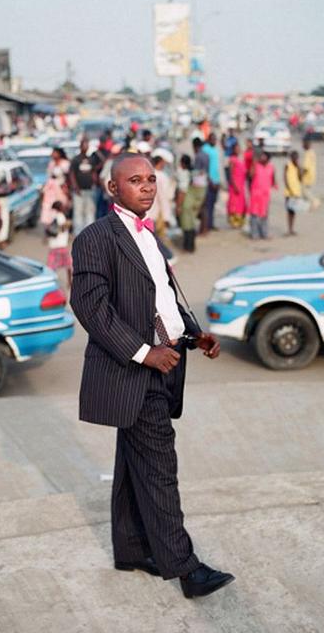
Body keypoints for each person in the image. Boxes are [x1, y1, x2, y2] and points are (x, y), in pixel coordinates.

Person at [70, 153, 234, 599]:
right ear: (112, 188)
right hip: (133, 373)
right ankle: (186, 569)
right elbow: (90, 308)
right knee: (160, 468)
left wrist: (195, 334)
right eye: (134, 180)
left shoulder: (150, 235)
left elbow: (162, 299)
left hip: (166, 364)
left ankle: (131, 549)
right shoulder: (94, 239)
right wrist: (144, 354)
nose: (146, 187)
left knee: (134, 460)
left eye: (151, 179)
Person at [69, 137, 97, 234]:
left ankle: (89, 233)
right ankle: (78, 233)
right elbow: (72, 174)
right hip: (79, 191)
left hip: (89, 190)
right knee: (78, 212)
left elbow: (93, 172)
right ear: (80, 146)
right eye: (84, 145)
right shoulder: (76, 159)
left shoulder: (91, 159)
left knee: (89, 211)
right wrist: (75, 186)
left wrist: (94, 182)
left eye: (87, 145)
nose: (86, 147)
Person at [248, 151, 277, 239]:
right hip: (255, 194)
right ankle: (254, 234)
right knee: (254, 214)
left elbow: (273, 180)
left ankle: (264, 234)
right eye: (261, 157)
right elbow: (250, 176)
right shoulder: (256, 166)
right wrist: (253, 163)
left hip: (265, 195)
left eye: (264, 157)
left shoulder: (271, 167)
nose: (261, 158)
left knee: (264, 215)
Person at [177, 154, 202, 253]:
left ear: (182, 163)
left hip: (185, 203)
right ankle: (192, 246)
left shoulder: (183, 174)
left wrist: (178, 206)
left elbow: (182, 192)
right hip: (193, 202)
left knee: (186, 225)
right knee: (191, 224)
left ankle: (187, 246)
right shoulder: (193, 173)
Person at [45, 200, 72, 288]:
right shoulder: (60, 216)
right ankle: (69, 282)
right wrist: (68, 224)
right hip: (61, 245)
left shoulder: (51, 215)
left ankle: (50, 283)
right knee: (68, 265)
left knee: (52, 266)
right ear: (59, 208)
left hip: (53, 245)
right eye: (62, 206)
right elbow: (62, 229)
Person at [201, 133, 220, 234]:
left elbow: (216, 167)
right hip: (209, 182)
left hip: (216, 181)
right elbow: (204, 168)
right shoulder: (205, 149)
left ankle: (211, 224)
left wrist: (218, 181)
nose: (214, 141)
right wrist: (210, 181)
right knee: (207, 205)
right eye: (213, 139)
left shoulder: (215, 149)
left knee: (213, 204)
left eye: (215, 139)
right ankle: (206, 225)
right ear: (208, 139)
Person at [226, 142, 246, 228]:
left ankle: (240, 221)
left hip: (241, 184)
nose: (238, 150)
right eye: (236, 148)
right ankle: (234, 222)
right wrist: (234, 185)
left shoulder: (240, 159)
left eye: (239, 148)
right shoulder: (232, 159)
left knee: (241, 203)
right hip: (235, 185)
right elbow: (230, 173)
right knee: (234, 203)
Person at [283, 151, 303, 236]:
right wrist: (289, 189)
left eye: (297, 158)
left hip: (297, 192)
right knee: (289, 211)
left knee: (294, 211)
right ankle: (289, 229)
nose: (295, 159)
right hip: (289, 193)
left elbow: (300, 178)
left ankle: (292, 229)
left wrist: (299, 168)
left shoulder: (298, 167)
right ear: (291, 158)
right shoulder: (287, 165)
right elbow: (285, 178)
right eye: (294, 158)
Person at [301, 139, 320, 210]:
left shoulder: (307, 154)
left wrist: (300, 175)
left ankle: (315, 201)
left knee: (304, 191)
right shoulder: (312, 152)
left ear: (307, 145)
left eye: (303, 144)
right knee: (306, 190)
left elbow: (306, 167)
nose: (302, 146)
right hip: (312, 174)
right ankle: (307, 205)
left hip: (307, 175)